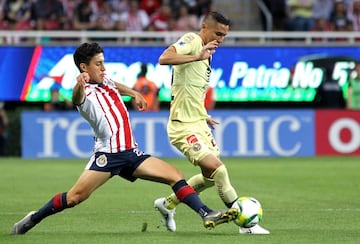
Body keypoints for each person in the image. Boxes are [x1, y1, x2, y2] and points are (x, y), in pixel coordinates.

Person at [10, 42, 238, 235]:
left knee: (175, 176)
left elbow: (113, 83)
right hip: (108, 157)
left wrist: (134, 93)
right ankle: (34, 218)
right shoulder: (85, 94)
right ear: (84, 67)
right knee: (74, 198)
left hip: (132, 153)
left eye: (102, 62)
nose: (103, 67)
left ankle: (207, 213)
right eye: (98, 63)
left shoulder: (105, 79)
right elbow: (77, 97)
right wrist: (79, 85)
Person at [153, 11, 270, 234]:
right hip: (182, 127)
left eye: (225, 35)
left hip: (198, 122)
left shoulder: (208, 51)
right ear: (204, 27)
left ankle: (167, 204)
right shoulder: (192, 40)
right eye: (218, 33)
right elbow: (164, 58)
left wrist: (203, 114)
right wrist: (196, 56)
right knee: (219, 170)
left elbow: (189, 88)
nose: (221, 39)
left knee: (209, 178)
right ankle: (247, 224)